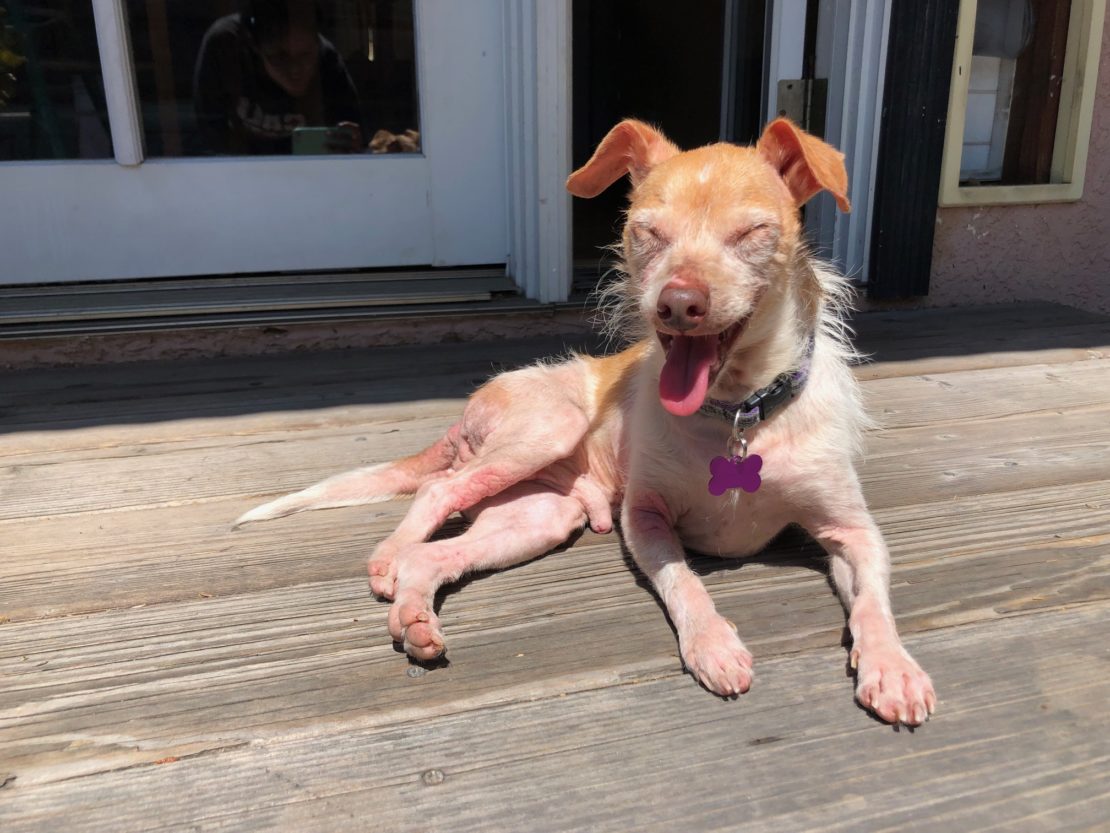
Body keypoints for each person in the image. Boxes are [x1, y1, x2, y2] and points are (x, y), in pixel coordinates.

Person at [193, 0, 363, 155]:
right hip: (240, 172)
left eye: (305, 55)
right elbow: (208, 134)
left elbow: (354, 131)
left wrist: (352, 144)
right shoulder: (225, 48)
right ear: (255, 47)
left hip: (307, 173)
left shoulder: (327, 60)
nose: (295, 69)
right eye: (280, 57)